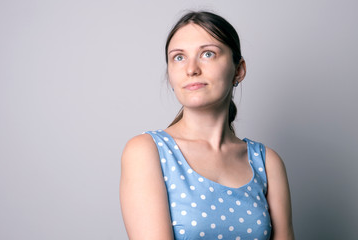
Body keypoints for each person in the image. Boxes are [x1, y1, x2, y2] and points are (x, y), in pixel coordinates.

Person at [120, 11, 294, 240]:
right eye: (179, 57)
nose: (191, 69)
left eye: (208, 54)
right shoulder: (146, 151)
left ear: (238, 70)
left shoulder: (266, 162)